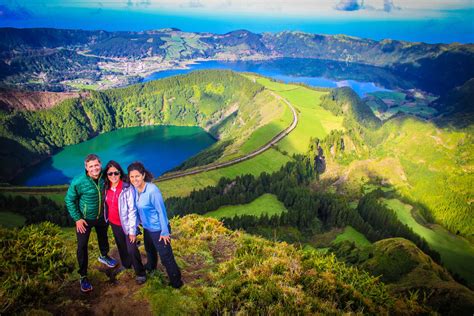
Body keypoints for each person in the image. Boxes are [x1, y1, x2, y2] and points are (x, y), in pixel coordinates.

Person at [65, 154, 118, 293]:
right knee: (82, 246)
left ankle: (104, 256)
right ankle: (83, 276)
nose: (94, 168)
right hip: (85, 220)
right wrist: (77, 218)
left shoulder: (105, 177)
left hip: (101, 216)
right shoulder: (78, 181)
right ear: (86, 167)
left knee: (103, 237)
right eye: (91, 166)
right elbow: (69, 200)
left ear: (100, 164)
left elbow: (117, 178)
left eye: (96, 165)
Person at [127, 161, 183, 289]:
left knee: (166, 256)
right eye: (132, 177)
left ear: (143, 175)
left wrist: (164, 232)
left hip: (158, 229)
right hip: (147, 228)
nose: (134, 179)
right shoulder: (135, 190)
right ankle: (151, 267)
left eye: (137, 176)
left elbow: (161, 212)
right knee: (149, 250)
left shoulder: (152, 190)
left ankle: (177, 282)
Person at [103, 160, 146, 285]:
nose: (113, 176)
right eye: (110, 174)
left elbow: (132, 210)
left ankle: (140, 272)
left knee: (132, 248)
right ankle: (126, 265)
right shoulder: (106, 187)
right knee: (121, 246)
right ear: (107, 175)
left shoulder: (127, 188)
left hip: (127, 224)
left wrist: (132, 231)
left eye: (116, 173)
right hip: (114, 223)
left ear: (120, 173)